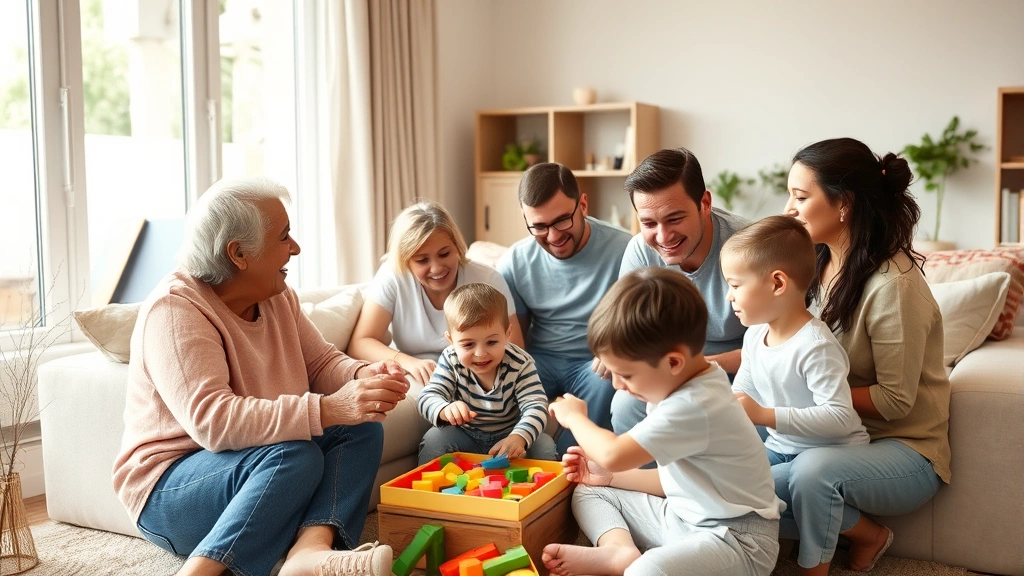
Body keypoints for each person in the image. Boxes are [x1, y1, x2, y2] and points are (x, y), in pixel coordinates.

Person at [113, 177, 410, 576]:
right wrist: (330, 408)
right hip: (171, 487)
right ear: (238, 254)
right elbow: (214, 423)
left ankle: (309, 552)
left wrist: (363, 375)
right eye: (284, 237)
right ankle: (203, 571)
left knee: (362, 427)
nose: (296, 248)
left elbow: (321, 365)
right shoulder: (175, 310)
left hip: (251, 463)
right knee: (295, 453)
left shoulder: (275, 295)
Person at [778, 138, 951, 575]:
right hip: (829, 433)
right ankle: (862, 531)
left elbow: (896, 402)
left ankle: (825, 561)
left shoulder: (894, 286)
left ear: (844, 204)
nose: (788, 208)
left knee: (811, 474)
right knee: (732, 473)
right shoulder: (815, 262)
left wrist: (806, 399)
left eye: (800, 196)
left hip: (904, 449)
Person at [542, 267, 783, 576]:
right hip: (685, 517)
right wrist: (609, 478)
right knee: (591, 488)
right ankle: (618, 551)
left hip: (737, 541)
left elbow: (614, 454)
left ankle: (634, 563)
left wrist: (575, 418)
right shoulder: (680, 385)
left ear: (673, 362)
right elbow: (673, 482)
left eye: (626, 374)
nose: (617, 384)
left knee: (646, 572)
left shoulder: (694, 404)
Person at [609, 147, 749, 436]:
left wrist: (699, 366)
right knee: (624, 403)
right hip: (670, 370)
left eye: (674, 219)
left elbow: (779, 348)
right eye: (649, 223)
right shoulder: (640, 250)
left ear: (705, 203)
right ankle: (647, 480)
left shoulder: (750, 247)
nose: (663, 237)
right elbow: (625, 329)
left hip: (743, 374)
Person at [496, 162, 631, 455]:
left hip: (595, 361)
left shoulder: (625, 250)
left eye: (562, 221)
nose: (554, 236)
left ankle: (568, 468)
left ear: (583, 204)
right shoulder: (515, 261)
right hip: (538, 361)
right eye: (539, 226)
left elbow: (641, 320)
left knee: (607, 381)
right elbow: (513, 340)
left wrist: (617, 349)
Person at [722, 215, 869, 465]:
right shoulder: (755, 335)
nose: (729, 297)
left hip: (832, 454)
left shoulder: (815, 346)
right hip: (781, 448)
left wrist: (764, 415)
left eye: (735, 286)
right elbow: (742, 392)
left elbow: (840, 417)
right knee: (727, 479)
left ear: (777, 283)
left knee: (755, 492)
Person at [348, 201, 523, 385]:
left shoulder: (488, 279)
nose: (437, 268)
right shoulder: (393, 276)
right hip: (419, 377)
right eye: (422, 260)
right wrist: (408, 362)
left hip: (480, 377)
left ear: (457, 247)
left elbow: (515, 347)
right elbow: (360, 342)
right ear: (406, 260)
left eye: (445, 254)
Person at [416, 283, 557, 464]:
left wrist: (520, 437)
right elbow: (428, 396)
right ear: (451, 341)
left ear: (507, 334)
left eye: (491, 342)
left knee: (544, 445)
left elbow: (535, 406)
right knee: (434, 438)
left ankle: (547, 492)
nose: (480, 353)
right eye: (468, 345)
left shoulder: (520, 363)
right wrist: (445, 409)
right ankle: (428, 492)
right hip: (466, 435)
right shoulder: (451, 359)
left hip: (510, 435)